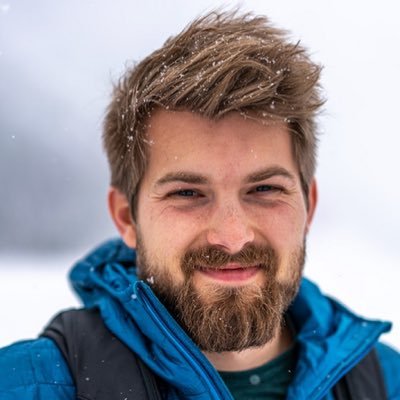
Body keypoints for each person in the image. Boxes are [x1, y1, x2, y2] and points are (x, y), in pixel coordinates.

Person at [0, 10, 399, 400]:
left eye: (264, 189)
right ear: (126, 217)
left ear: (308, 206)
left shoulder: (388, 383)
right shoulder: (27, 386)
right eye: (188, 193)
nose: (232, 236)